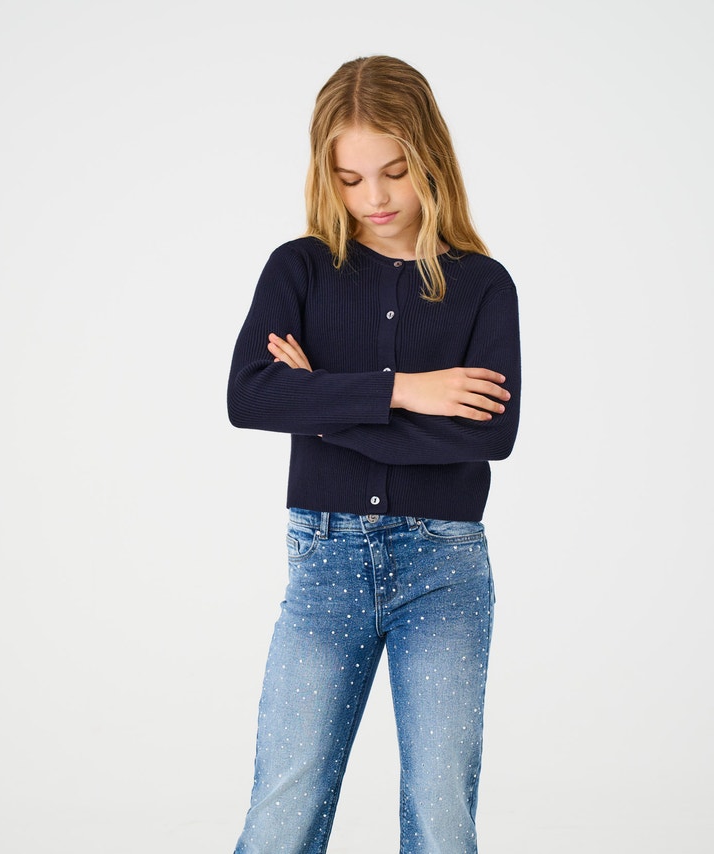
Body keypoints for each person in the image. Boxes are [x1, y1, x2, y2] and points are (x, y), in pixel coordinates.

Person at [226, 54, 522, 854]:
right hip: (325, 559)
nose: (375, 198)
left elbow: (487, 436)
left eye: (394, 172)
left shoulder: (483, 285)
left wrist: (320, 402)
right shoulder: (299, 269)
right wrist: (408, 391)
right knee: (285, 799)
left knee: (441, 807)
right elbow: (250, 398)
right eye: (350, 179)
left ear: (430, 158)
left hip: (444, 567)